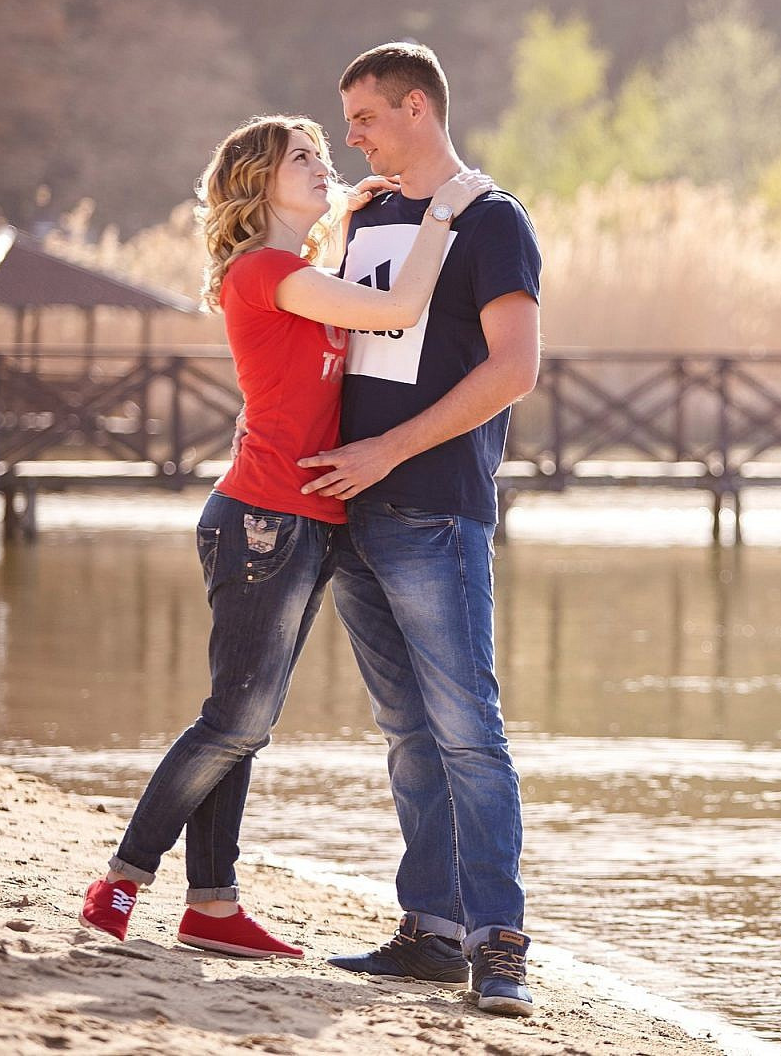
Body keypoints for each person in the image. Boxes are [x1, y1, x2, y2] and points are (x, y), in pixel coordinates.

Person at [78, 114, 490, 957]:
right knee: (234, 719)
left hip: (308, 523)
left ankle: (213, 909)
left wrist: (347, 215)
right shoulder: (265, 270)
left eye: (325, 158)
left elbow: (334, 310)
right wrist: (442, 211)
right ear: (259, 182)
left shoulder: (299, 268)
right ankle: (121, 879)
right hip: (262, 518)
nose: (324, 166)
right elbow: (399, 307)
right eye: (304, 158)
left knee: (246, 720)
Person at [303, 42, 542, 1018]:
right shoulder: (366, 217)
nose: (349, 137)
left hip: (431, 505)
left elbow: (512, 368)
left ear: (415, 106)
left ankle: (500, 947)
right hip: (344, 510)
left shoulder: (491, 221)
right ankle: (432, 931)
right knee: (406, 735)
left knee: (466, 731)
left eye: (361, 117)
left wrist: (388, 451)